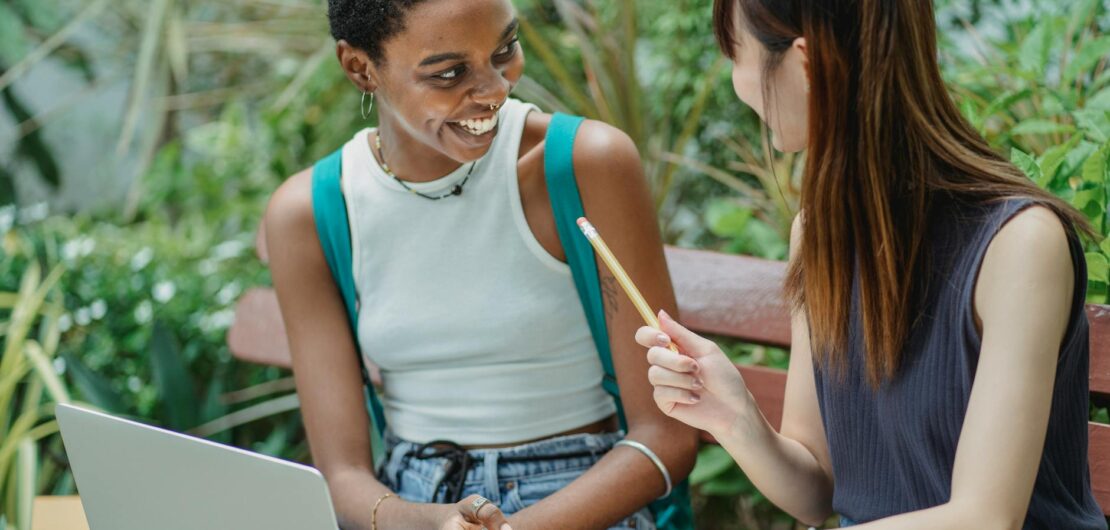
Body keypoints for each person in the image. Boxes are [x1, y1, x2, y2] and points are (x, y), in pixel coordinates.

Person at [635, 1, 1107, 528]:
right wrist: (735, 417)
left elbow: (985, 518)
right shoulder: (818, 236)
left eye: (735, 54)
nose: (735, 82)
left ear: (805, 64)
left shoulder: (1019, 244)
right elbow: (817, 492)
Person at [263, 0, 698, 528]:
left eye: (505, 50)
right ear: (361, 68)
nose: (494, 88)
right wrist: (423, 521)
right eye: (448, 72)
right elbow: (344, 474)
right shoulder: (311, 212)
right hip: (412, 503)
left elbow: (666, 436)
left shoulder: (582, 164)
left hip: (586, 497)